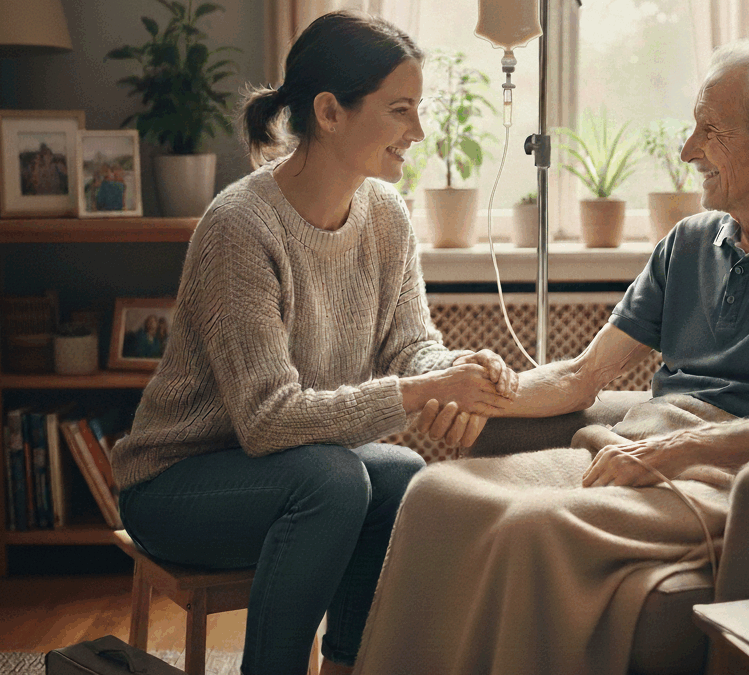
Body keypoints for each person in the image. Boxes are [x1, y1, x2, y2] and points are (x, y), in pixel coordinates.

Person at [354, 39, 749, 675]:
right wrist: (474, 389)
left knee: (530, 527)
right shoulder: (689, 241)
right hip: (640, 446)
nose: (687, 150)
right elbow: (583, 375)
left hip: (735, 475)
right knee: (436, 493)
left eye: (711, 130)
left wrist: (679, 450)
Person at [107, 11, 518, 675]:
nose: (418, 131)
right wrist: (423, 389)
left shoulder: (387, 216)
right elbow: (268, 421)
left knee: (400, 474)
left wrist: (459, 370)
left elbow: (412, 347)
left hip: (291, 473)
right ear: (329, 112)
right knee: (334, 480)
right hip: (176, 485)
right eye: (400, 110)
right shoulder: (241, 226)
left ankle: (344, 666)